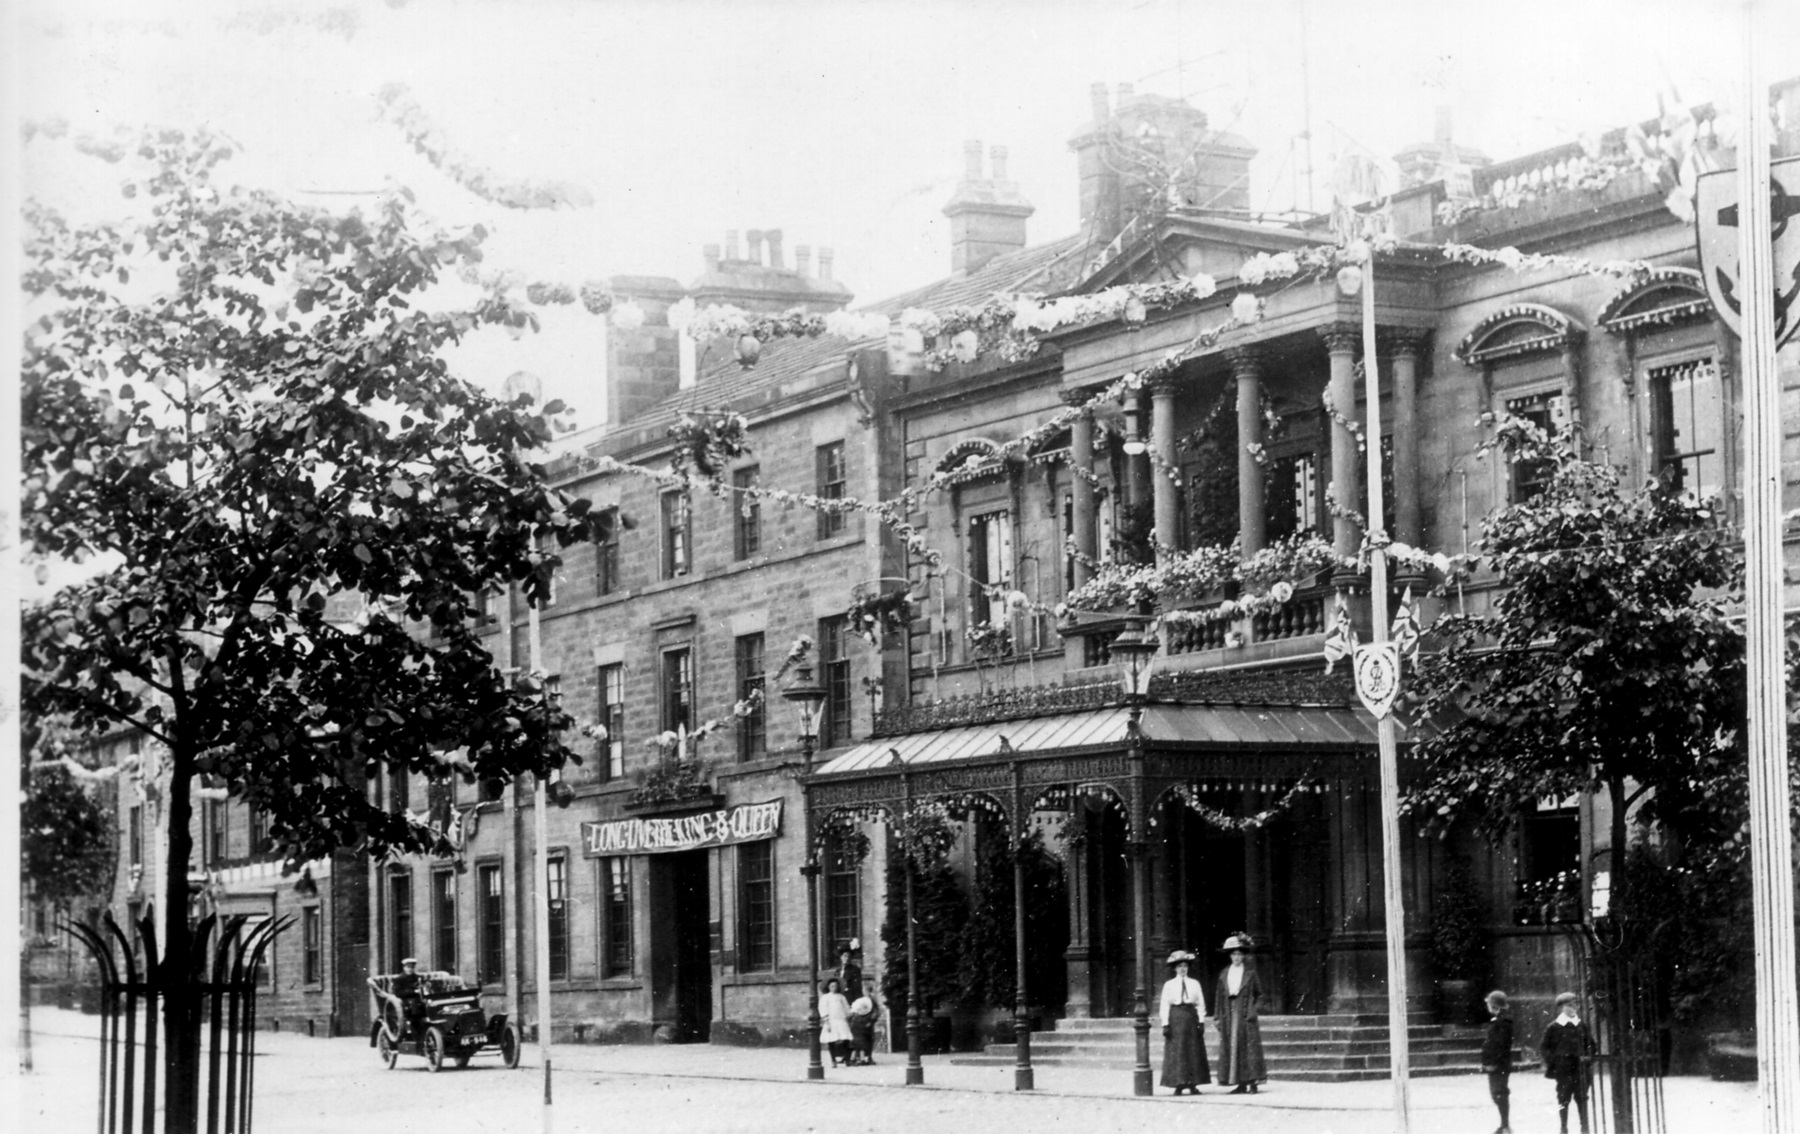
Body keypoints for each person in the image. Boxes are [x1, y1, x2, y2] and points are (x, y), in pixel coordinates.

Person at [1211, 933, 1267, 1094]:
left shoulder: (1250, 973)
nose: (1236, 957)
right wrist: (1217, 1016)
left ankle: (1252, 1082)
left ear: (1243, 956)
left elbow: (1260, 995)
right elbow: (1219, 997)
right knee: (1232, 1047)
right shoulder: (1224, 974)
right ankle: (1239, 1083)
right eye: (1233, 954)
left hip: (1245, 1012)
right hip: (1228, 1011)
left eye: (1239, 954)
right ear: (1230, 956)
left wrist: (1253, 1009)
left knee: (1248, 1047)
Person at [1158, 949, 1212, 1095]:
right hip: (1175, 1017)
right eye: (1180, 966)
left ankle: (1193, 1083)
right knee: (1178, 1051)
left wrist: (1201, 1021)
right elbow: (1164, 1005)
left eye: (1185, 966)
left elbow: (1200, 1003)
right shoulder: (1169, 985)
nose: (1182, 969)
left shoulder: (1194, 983)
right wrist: (1165, 1024)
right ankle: (1179, 1083)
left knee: (1193, 1051)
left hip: (1190, 1017)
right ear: (1175, 968)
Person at [1541, 991, 1592, 1134]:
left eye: (1576, 1004)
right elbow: (1545, 1047)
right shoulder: (1554, 1027)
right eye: (1570, 1005)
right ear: (1561, 1007)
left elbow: (1591, 1045)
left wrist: (1587, 1056)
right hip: (1563, 1070)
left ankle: (1585, 1127)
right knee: (1563, 1099)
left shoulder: (1582, 1025)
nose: (1573, 1007)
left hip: (1580, 1069)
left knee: (1582, 1098)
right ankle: (1563, 1127)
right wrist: (1555, 1062)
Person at [1481, 989, 1515, 1134]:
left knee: (1499, 1093)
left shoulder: (1502, 1022)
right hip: (1497, 1064)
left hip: (1498, 1065)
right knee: (1498, 1093)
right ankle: (1504, 1124)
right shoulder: (1499, 1020)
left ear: (1494, 1005)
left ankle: (1505, 1125)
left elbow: (1499, 1044)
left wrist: (1492, 1062)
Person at [819, 977, 854, 1068]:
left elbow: (846, 1008)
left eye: (835, 986)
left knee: (846, 1039)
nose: (834, 988)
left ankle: (847, 1059)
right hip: (831, 1021)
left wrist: (849, 1014)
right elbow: (823, 1008)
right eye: (832, 986)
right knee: (831, 1041)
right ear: (828, 987)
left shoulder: (841, 997)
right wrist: (826, 1020)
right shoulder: (825, 997)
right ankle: (833, 1060)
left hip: (841, 1020)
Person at [847, 989, 879, 1066]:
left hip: (867, 1022)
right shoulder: (860, 1001)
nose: (868, 994)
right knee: (860, 1042)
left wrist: (871, 1021)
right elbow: (853, 1012)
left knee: (868, 1040)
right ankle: (859, 1058)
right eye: (867, 992)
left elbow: (876, 1012)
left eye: (870, 992)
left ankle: (867, 1057)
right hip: (859, 1024)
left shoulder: (873, 1002)